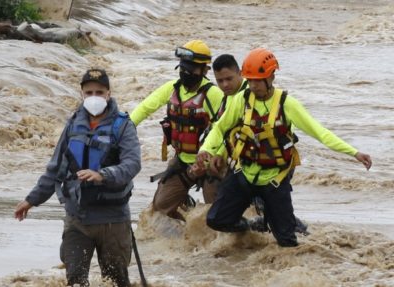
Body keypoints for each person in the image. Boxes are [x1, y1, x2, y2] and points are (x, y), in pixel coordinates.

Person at [197, 48, 372, 247]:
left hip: (274, 181)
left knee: (287, 243)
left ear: (271, 76)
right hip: (244, 175)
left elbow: (320, 132)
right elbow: (220, 128)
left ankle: (284, 227)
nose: (253, 85)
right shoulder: (241, 100)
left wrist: (354, 153)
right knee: (216, 220)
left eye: (258, 80)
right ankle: (253, 228)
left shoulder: (287, 104)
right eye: (250, 80)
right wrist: (207, 150)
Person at [14, 69, 141, 287]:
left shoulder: (123, 126)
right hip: (78, 218)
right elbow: (55, 169)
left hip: (113, 220)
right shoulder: (73, 125)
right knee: (74, 281)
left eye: (99, 92)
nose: (94, 96)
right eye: (89, 92)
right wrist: (31, 200)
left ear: (109, 94)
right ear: (82, 94)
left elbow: (132, 164)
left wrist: (103, 174)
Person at [211, 52, 309, 235]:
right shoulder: (232, 99)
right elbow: (223, 131)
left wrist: (353, 153)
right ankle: (251, 232)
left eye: (228, 79)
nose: (224, 85)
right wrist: (211, 153)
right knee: (218, 211)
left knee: (269, 210)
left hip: (273, 164)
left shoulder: (273, 102)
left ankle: (295, 232)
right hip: (243, 162)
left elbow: (296, 135)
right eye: (220, 81)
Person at [130, 40, 226, 220]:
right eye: (183, 67)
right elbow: (144, 108)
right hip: (182, 161)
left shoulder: (213, 94)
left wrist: (209, 160)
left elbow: (226, 130)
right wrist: (125, 128)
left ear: (204, 70)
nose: (186, 72)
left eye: (192, 69)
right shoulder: (172, 88)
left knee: (217, 213)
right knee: (159, 210)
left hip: (211, 162)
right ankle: (185, 213)